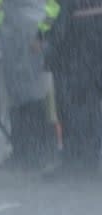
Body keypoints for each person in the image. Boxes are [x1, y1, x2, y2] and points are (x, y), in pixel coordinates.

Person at [39, 0, 102, 178]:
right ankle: (89, 158)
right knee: (90, 105)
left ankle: (75, 160)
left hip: (75, 48)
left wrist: (42, 36)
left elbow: (59, 13)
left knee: (73, 106)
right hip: (92, 45)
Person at [0, 0, 53, 172]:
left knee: (32, 94)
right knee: (16, 96)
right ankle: (22, 152)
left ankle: (34, 154)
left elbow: (53, 8)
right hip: (13, 35)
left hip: (30, 34)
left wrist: (41, 35)